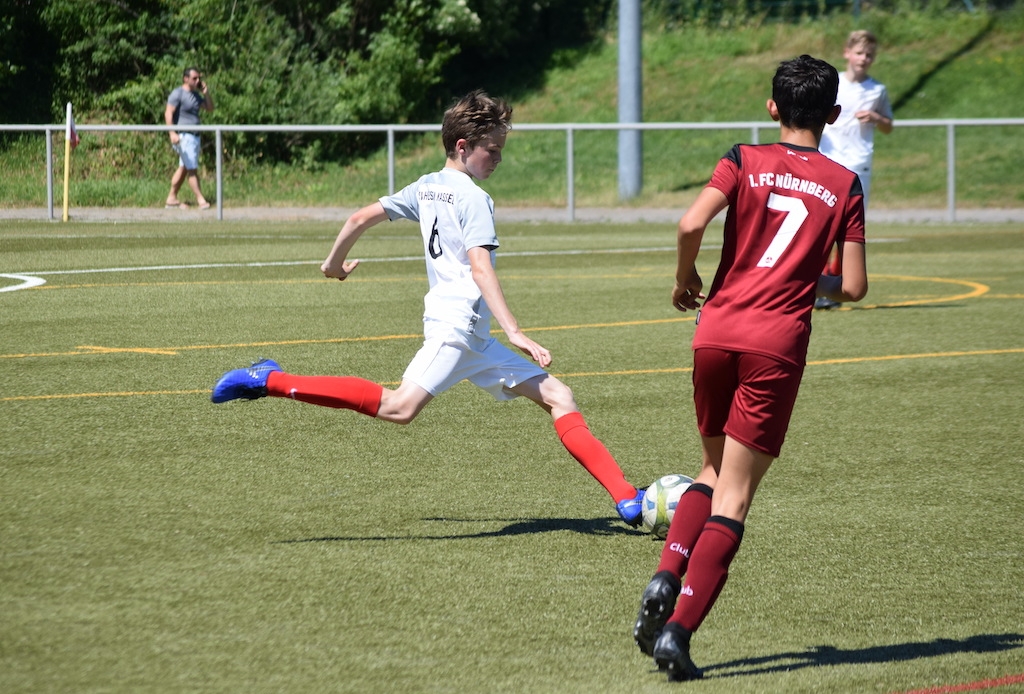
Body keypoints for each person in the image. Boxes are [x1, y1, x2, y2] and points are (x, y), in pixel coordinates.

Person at [210, 90, 646, 527]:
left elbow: (359, 218)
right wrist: (515, 330)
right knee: (399, 407)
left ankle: (626, 497)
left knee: (558, 396)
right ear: (463, 146)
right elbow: (480, 268)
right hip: (455, 330)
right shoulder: (474, 198)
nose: (499, 158)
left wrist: (332, 264)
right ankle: (270, 379)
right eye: (492, 150)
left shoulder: (426, 186)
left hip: (474, 338)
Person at [631, 55, 869, 682]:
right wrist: (805, 279)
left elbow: (690, 222)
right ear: (834, 115)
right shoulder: (845, 185)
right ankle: (678, 631)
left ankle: (666, 574)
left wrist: (685, 278)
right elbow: (853, 286)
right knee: (734, 496)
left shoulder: (741, 158)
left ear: (772, 108)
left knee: (711, 470)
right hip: (775, 344)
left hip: (715, 332)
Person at [816, 30, 892, 309]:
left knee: (849, 227)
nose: (864, 59)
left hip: (859, 164)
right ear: (847, 53)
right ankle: (816, 282)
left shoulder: (877, 90)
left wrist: (875, 117)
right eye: (859, 53)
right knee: (821, 224)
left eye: (869, 54)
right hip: (828, 160)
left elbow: (888, 126)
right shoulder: (833, 84)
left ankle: (834, 287)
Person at [165, 67, 214, 209]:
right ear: (186, 79)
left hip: (195, 136)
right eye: (194, 78)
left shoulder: (196, 95)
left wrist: (206, 93)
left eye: (199, 78)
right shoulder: (178, 93)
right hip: (184, 136)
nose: (198, 81)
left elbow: (210, 108)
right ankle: (201, 200)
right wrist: (172, 133)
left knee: (184, 168)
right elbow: (168, 113)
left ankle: (171, 198)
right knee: (192, 169)